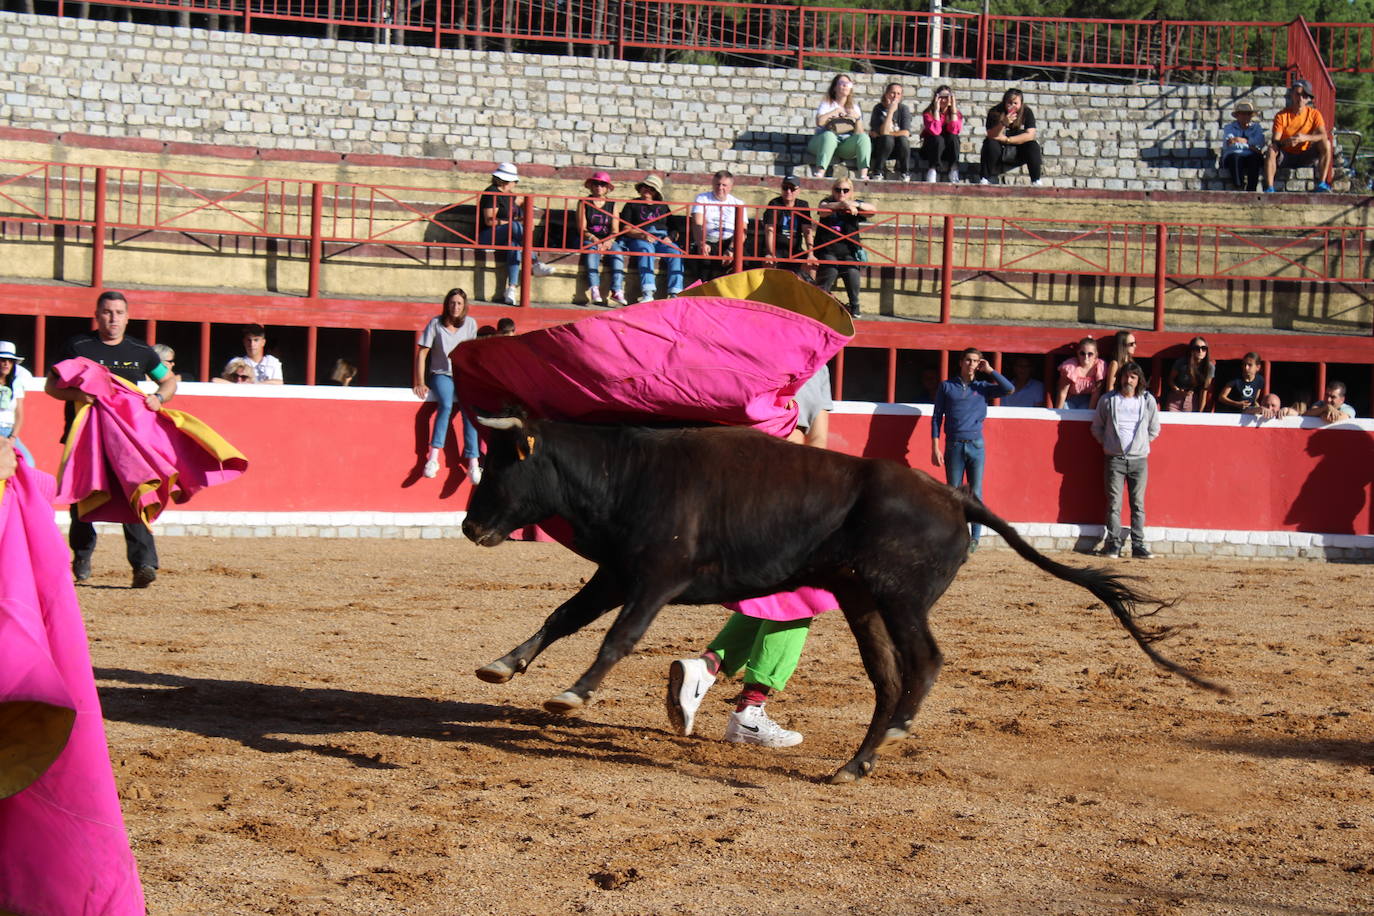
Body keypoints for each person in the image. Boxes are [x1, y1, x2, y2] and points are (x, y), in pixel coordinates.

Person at [665, 366, 835, 749]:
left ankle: (706, 668)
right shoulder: (815, 365)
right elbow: (818, 438)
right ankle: (749, 710)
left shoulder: (752, 354)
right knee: (802, 597)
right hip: (784, 497)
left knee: (773, 598)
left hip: (738, 498)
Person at [46, 290, 177, 588]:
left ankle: (143, 564)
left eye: (118, 313)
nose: (113, 318)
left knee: (136, 493)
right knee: (83, 494)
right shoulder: (78, 346)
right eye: (107, 312)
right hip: (84, 438)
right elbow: (51, 386)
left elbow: (168, 380)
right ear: (97, 315)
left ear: (128, 317)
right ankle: (81, 555)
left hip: (126, 440)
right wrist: (78, 395)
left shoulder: (140, 351)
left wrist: (158, 397)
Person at [931, 348, 1013, 555]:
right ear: (961, 362)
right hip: (954, 444)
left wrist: (991, 370)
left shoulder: (983, 387)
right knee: (954, 492)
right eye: (968, 360)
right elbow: (936, 417)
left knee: (976, 492)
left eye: (975, 361)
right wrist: (935, 446)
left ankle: (975, 538)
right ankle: (957, 536)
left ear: (979, 364)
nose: (971, 364)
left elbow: (1009, 389)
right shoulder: (947, 386)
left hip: (976, 444)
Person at [1090, 361, 1160, 560]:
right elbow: (1097, 428)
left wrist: (1141, 444)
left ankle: (1138, 544)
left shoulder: (1147, 400)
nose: (1128, 380)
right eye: (1125, 376)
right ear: (1120, 377)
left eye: (1132, 377)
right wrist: (1109, 444)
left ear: (1139, 380)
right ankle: (1113, 544)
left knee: (1138, 503)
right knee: (1114, 503)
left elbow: (1154, 428)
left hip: (1139, 459)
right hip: (1115, 459)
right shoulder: (1108, 400)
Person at [414, 288, 481, 481]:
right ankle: (433, 457)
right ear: (447, 304)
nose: (455, 307)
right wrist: (420, 381)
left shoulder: (470, 324)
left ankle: (473, 463)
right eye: (452, 303)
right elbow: (423, 353)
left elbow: (471, 355)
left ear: (464, 306)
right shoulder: (436, 323)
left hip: (463, 375)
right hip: (441, 374)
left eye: (459, 303)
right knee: (445, 405)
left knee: (470, 410)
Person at [477, 162, 554, 307]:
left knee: (515, 246)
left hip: (505, 236)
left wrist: (526, 214)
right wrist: (513, 222)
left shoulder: (510, 196)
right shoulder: (491, 192)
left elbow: (524, 202)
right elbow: (489, 221)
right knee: (515, 226)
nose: (516, 183)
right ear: (507, 181)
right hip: (487, 236)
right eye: (514, 181)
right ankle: (536, 263)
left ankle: (511, 289)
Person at [813, 178, 875, 318]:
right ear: (833, 191)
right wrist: (842, 204)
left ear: (851, 192)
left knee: (852, 272)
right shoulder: (827, 202)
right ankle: (818, 303)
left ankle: (855, 305)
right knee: (831, 269)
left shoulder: (854, 204)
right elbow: (822, 211)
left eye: (845, 190)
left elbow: (872, 210)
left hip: (848, 251)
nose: (841, 193)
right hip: (827, 249)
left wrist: (853, 204)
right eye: (838, 190)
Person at [619, 173, 683, 302]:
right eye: (645, 187)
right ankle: (648, 292)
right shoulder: (632, 204)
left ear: (656, 192)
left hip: (662, 239)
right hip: (639, 238)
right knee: (646, 250)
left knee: (676, 252)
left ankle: (675, 293)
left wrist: (670, 238)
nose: (647, 190)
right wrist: (642, 235)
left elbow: (675, 229)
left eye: (651, 188)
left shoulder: (663, 206)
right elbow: (625, 229)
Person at [1264, 79, 1333, 193]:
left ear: (1308, 98)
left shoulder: (1314, 114)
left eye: (1304, 96)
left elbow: (1323, 135)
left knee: (1326, 144)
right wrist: (1288, 142)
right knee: (1271, 149)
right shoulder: (1281, 115)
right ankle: (1270, 187)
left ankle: (1321, 183)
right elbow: (1275, 140)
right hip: (1285, 156)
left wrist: (1305, 138)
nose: (1300, 98)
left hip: (1305, 155)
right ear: (1292, 95)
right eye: (1298, 94)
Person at [806, 73, 872, 181]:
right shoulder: (827, 104)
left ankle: (864, 174)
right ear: (835, 87)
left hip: (844, 145)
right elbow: (819, 122)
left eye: (848, 84)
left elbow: (859, 133)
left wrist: (857, 118)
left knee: (864, 138)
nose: (845, 86)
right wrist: (835, 112)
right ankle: (820, 172)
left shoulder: (854, 107)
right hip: (822, 143)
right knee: (829, 136)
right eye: (842, 83)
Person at [578, 171, 625, 306]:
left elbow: (615, 229)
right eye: (596, 184)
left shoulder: (612, 205)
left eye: (602, 185)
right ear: (591, 186)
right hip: (590, 238)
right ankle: (594, 289)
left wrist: (609, 240)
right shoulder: (584, 202)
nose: (599, 187)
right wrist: (594, 239)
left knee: (618, 253)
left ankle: (617, 290)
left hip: (608, 238)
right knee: (592, 251)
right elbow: (582, 228)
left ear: (607, 188)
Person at [690, 170, 747, 282]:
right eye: (717, 184)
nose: (720, 188)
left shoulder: (738, 203)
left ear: (730, 187)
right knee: (704, 262)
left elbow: (742, 231)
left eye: (724, 185)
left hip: (730, 241)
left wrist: (732, 249)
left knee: (745, 261)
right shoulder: (702, 198)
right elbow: (697, 224)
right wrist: (702, 242)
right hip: (709, 239)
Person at [979, 88, 1042, 186]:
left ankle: (1036, 180)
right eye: (1009, 103)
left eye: (1015, 103)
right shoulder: (995, 112)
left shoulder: (1027, 112)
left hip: (1019, 146)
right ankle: (985, 178)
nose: (1012, 106)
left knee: (1033, 146)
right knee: (990, 144)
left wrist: (1008, 140)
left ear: (1021, 103)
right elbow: (991, 134)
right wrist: (1003, 123)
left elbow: (1030, 134)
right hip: (999, 147)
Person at [763, 174, 817, 278]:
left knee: (812, 265)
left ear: (798, 190)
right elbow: (769, 230)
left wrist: (811, 254)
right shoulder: (774, 203)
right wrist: (770, 253)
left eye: (792, 189)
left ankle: (809, 293)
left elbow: (807, 231)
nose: (788, 191)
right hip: (777, 249)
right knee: (768, 262)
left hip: (795, 251)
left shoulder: (803, 205)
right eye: (785, 188)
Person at [869, 82, 913, 182]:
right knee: (887, 139)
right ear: (886, 94)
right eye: (892, 93)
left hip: (898, 148)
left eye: (898, 94)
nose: (895, 96)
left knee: (903, 140)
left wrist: (887, 133)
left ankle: (904, 173)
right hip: (881, 147)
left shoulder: (903, 109)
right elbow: (884, 132)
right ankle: (878, 171)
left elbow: (906, 132)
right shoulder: (878, 108)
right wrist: (890, 112)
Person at [919, 84, 963, 183]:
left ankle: (953, 169)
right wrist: (936, 111)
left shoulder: (957, 114)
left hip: (948, 150)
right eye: (941, 98)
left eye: (946, 98)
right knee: (937, 138)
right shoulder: (928, 113)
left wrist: (953, 110)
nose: (943, 101)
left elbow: (955, 130)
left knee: (954, 137)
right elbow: (936, 131)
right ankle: (932, 170)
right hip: (931, 149)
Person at [0, 340, 34, 467]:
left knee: (28, 463)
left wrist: (13, 437)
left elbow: (19, 414)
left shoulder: (16, 384)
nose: (6, 364)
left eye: (9, 361)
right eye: (2, 360)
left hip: (9, 432)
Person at [1220, 101, 1265, 192]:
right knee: (1235, 157)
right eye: (1243, 114)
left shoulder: (1257, 128)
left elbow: (1259, 143)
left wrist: (1240, 141)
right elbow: (1230, 144)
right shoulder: (1229, 127)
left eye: (1248, 114)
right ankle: (1239, 186)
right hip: (1234, 155)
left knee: (1254, 159)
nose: (1246, 116)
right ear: (1237, 115)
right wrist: (1250, 145)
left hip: (1252, 156)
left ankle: (1251, 190)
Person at [1165, 336, 1215, 412]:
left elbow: (1204, 391)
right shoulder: (1182, 362)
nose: (1200, 351)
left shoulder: (1209, 367)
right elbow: (1170, 379)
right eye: (1197, 348)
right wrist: (1178, 390)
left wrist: (1200, 412)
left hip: (1191, 398)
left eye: (1204, 348)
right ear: (1192, 350)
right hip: (1175, 397)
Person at [1055, 337, 1106, 409]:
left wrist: (1088, 414)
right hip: (1070, 399)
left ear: (1096, 354)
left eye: (1090, 354)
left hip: (1088, 400)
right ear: (1078, 353)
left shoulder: (1100, 367)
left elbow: (1096, 394)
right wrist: (1058, 412)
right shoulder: (1070, 367)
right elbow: (1063, 393)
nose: (1086, 357)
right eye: (1082, 353)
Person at [1102, 329, 1138, 394]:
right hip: (1118, 398)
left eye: (1135, 342)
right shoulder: (1114, 364)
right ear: (1123, 345)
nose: (1135, 346)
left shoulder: (1131, 361)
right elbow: (1110, 388)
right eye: (1132, 344)